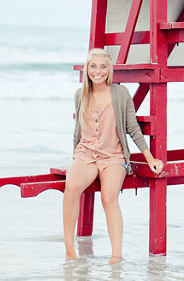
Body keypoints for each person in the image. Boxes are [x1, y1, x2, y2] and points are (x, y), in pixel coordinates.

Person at [63, 48, 163, 263]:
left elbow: (133, 128)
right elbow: (77, 130)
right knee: (70, 186)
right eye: (93, 66)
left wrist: (150, 158)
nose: (97, 71)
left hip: (113, 156)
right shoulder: (80, 94)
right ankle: (69, 249)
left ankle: (116, 255)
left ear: (109, 70)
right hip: (87, 153)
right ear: (87, 69)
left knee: (109, 197)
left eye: (102, 66)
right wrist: (75, 159)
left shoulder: (120, 93)